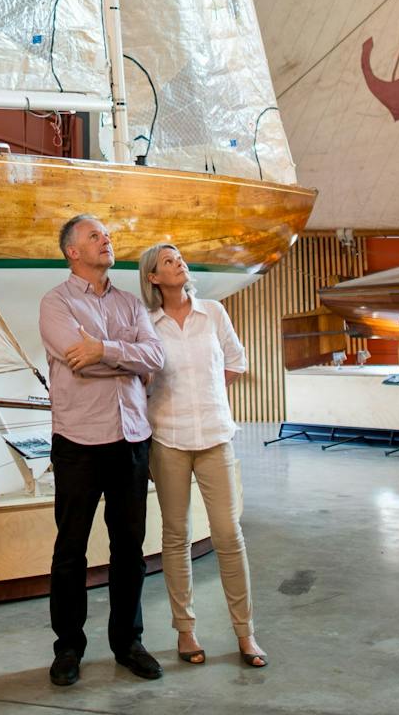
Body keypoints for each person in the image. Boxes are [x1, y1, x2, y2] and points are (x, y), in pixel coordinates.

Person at [39, 214, 166, 687]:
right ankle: (68, 647)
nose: (105, 240)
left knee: (129, 549)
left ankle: (127, 642)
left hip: (131, 439)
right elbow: (77, 361)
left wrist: (104, 351)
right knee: (70, 550)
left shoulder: (132, 304)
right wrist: (123, 359)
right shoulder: (55, 303)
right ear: (72, 251)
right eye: (95, 235)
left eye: (106, 235)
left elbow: (156, 358)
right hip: (77, 441)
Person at [138, 242, 267, 669]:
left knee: (229, 534)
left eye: (180, 258)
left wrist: (206, 397)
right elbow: (143, 377)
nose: (180, 264)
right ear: (154, 277)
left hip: (215, 435)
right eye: (169, 261)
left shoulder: (213, 312)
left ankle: (245, 634)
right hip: (168, 439)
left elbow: (235, 360)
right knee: (175, 537)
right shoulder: (147, 322)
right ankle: (186, 630)